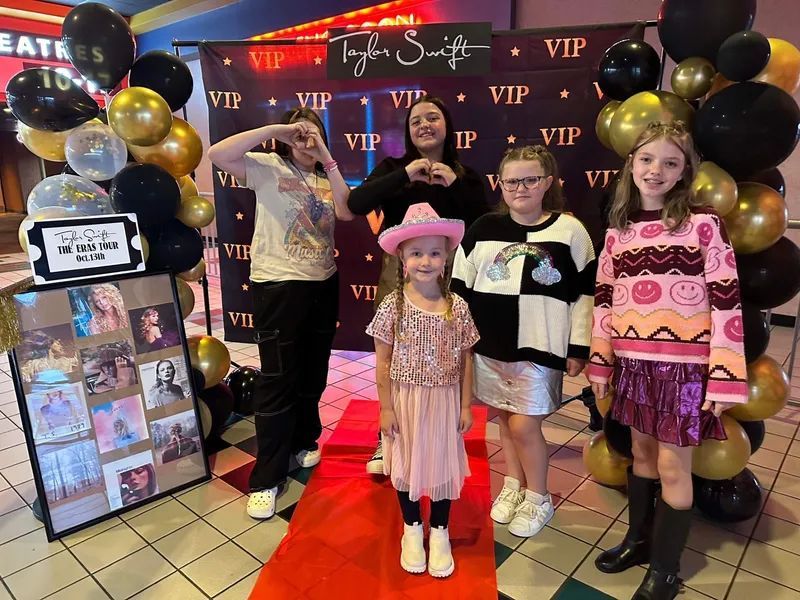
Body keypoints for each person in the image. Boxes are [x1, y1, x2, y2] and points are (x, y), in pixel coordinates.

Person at [587, 122, 747, 599]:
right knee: (641, 455)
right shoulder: (619, 232)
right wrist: (601, 362)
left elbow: (727, 302)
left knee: (676, 468)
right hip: (634, 366)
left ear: (684, 171)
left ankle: (666, 568)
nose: (656, 171)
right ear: (631, 165)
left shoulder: (703, 225)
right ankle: (638, 541)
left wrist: (723, 376)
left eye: (670, 162)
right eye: (647, 160)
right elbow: (603, 302)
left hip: (685, 371)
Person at [208, 106, 353, 520]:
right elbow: (219, 154)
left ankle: (305, 439)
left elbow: (346, 210)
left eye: (314, 132)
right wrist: (278, 131)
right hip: (279, 284)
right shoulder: (267, 165)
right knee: (277, 379)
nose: (306, 140)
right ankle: (266, 478)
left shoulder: (328, 175)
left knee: (313, 371)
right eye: (300, 134)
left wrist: (325, 153)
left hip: (323, 282)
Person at [451, 145, 596, 538]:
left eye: (530, 179)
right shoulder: (482, 229)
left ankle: (539, 497)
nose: (521, 188)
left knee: (524, 425)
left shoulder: (570, 232)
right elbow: (459, 290)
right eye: (512, 180)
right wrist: (457, 341)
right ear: (500, 184)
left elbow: (586, 294)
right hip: (489, 348)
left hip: (541, 347)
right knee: (503, 417)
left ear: (548, 183)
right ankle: (513, 485)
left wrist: (579, 346)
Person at [347, 94, 489, 475]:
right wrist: (404, 176)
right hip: (399, 274)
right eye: (415, 121)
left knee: (447, 354)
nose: (424, 125)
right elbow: (356, 202)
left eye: (432, 117)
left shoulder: (466, 174)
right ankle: (387, 439)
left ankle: (444, 431)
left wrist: (454, 185)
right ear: (407, 132)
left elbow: (485, 224)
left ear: (447, 126)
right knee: (394, 354)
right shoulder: (394, 167)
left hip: (452, 274)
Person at [367, 202, 479, 577]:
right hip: (405, 398)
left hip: (445, 399)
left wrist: (466, 407)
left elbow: (466, 361)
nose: (426, 261)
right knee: (407, 460)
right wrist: (386, 408)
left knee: (443, 461)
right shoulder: (392, 306)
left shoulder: (457, 307)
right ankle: (412, 527)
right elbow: (382, 361)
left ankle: (440, 528)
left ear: (446, 257)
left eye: (434, 252)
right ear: (402, 257)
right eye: (416, 253)